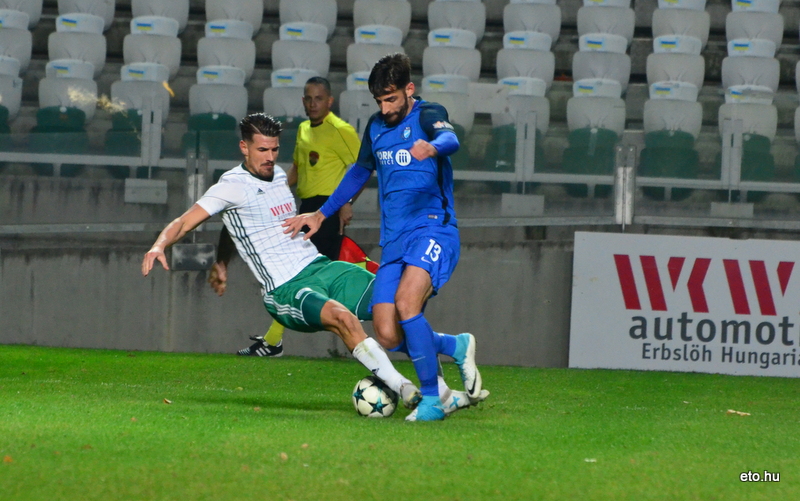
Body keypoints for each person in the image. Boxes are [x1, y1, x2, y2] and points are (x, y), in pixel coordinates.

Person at [141, 113, 423, 410]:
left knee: (397, 299)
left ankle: (446, 370)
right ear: (244, 147)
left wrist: (222, 262)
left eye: (275, 149)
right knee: (344, 318)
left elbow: (240, 222)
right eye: (262, 150)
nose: (270, 157)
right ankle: (404, 387)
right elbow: (186, 222)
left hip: (320, 266)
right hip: (286, 288)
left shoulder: (277, 176)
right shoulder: (230, 186)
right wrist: (160, 244)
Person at [284, 53, 483, 421]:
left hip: (432, 227)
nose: (386, 107)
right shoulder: (376, 127)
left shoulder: (426, 114)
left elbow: (451, 139)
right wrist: (321, 213)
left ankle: (431, 401)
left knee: (408, 304)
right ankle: (455, 346)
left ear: (409, 89)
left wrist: (433, 146)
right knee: (388, 332)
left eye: (391, 98)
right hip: (394, 240)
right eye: (379, 100)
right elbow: (360, 172)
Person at [234, 77, 362, 358]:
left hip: (327, 209)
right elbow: (297, 168)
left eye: (318, 98)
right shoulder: (304, 129)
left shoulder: (341, 130)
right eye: (308, 98)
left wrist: (347, 203)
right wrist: (271, 191)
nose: (312, 103)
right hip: (305, 209)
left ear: (330, 101)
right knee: (301, 278)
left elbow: (361, 168)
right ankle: (353, 334)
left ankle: (276, 341)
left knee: (304, 278)